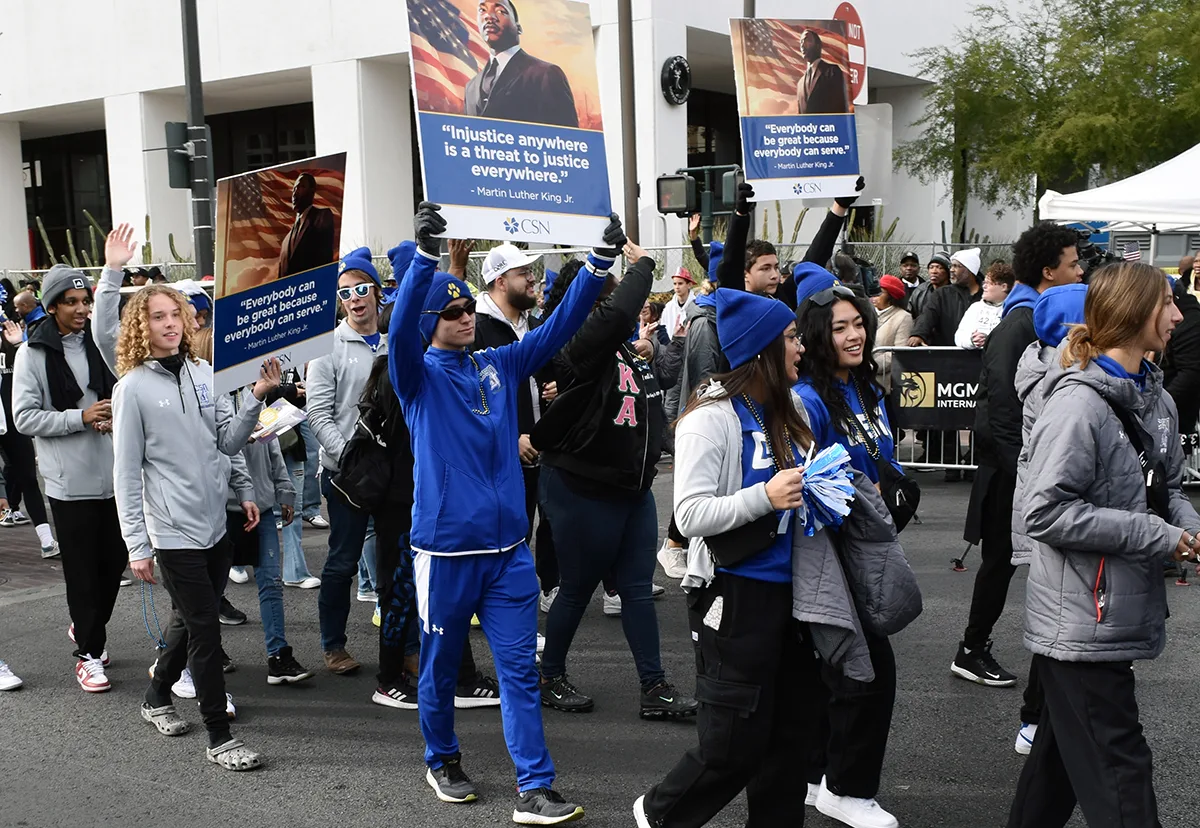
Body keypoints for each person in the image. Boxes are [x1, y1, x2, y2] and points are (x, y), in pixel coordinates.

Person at [388, 203, 623, 824]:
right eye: (453, 312)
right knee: (439, 670)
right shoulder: (415, 377)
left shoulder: (497, 363)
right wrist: (424, 258)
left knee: (521, 672)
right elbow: (400, 328)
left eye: (469, 307)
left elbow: (557, 329)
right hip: (445, 553)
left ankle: (535, 789)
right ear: (431, 322)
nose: (467, 318)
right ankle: (442, 758)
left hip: (509, 553)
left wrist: (598, 265)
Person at [636, 288, 863, 828]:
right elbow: (688, 517)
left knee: (790, 743)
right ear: (760, 348)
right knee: (734, 744)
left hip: (800, 594)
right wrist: (765, 497)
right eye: (789, 338)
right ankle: (659, 812)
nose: (801, 347)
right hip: (734, 597)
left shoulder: (796, 406)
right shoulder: (709, 418)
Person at [1006, 261, 1200, 828]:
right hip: (1082, 622)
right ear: (1134, 312)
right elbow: (1044, 511)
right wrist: (1161, 536)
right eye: (1167, 302)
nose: (1178, 314)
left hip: (1108, 614)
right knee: (1121, 771)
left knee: (1058, 769)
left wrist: (1187, 527)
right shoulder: (1077, 405)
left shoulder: (1157, 400)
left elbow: (1166, 489)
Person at [111, 283, 278, 771]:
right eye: (158, 317)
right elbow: (125, 473)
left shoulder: (207, 374)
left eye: (175, 315)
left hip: (215, 525)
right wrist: (137, 545)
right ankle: (220, 736)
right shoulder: (132, 389)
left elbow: (227, 442)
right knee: (205, 628)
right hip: (171, 532)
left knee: (189, 619)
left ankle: (155, 697)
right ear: (142, 328)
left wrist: (257, 398)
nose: (169, 324)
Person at [531, 239, 697, 720]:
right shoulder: (575, 343)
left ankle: (654, 687)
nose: (615, 304)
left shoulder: (619, 347)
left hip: (633, 489)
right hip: (584, 487)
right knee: (579, 587)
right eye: (603, 297)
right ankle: (550, 676)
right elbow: (618, 311)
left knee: (637, 588)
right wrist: (642, 264)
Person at [791, 272, 903, 828]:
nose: (855, 335)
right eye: (840, 328)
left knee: (834, 670)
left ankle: (818, 774)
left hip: (870, 550)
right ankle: (848, 789)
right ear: (816, 336)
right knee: (868, 669)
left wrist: (894, 483)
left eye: (859, 323)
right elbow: (806, 486)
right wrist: (862, 497)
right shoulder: (807, 400)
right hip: (833, 554)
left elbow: (881, 454)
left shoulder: (863, 387)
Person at [952, 222, 1082, 695]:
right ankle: (971, 649)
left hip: (1025, 469)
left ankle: (1058, 655)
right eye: (1072, 264)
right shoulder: (1020, 323)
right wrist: (1026, 471)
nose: (1080, 271)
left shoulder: (1037, 317)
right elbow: (998, 411)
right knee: (1001, 561)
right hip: (1012, 472)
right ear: (1049, 271)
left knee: (1016, 562)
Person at [12, 264, 125, 692]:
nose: (81, 310)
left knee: (113, 567)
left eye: (85, 302)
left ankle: (85, 627)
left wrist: (112, 414)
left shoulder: (101, 345)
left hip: (116, 477)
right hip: (68, 482)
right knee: (81, 573)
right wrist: (81, 417)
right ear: (52, 305)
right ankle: (89, 655)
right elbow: (24, 417)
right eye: (71, 302)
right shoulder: (32, 353)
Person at [1007, 284, 1088, 756]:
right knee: (1060, 621)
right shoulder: (1062, 382)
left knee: (1063, 619)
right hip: (1054, 518)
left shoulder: (1054, 368)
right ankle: (1035, 719)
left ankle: (1043, 722)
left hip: (1047, 513)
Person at [308, 248, 392, 676]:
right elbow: (318, 413)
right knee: (342, 562)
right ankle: (333, 645)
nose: (355, 298)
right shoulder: (327, 348)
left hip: (396, 473)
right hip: (346, 477)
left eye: (361, 289)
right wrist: (349, 459)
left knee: (397, 560)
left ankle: (400, 646)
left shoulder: (398, 338)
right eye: (345, 293)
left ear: (376, 292)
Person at [473, 241, 558, 614]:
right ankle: (502, 606)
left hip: (544, 447)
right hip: (503, 455)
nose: (532, 279)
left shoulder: (534, 325)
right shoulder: (476, 329)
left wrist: (556, 387)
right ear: (500, 281)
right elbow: (472, 400)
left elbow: (551, 372)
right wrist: (511, 439)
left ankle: (547, 587)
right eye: (524, 273)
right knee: (509, 533)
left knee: (552, 522)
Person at [464, 0, 578, 127]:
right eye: (482, 10)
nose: (489, 16)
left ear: (518, 28)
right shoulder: (471, 88)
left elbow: (568, 138)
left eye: (500, 11)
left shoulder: (545, 74)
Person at [0, 308, 57, 555]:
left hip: (13, 421)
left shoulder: (14, 343)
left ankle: (46, 540)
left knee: (28, 477)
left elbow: (32, 372)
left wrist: (19, 345)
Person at [909, 248, 981, 347]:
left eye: (956, 266)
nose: (951, 270)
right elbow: (928, 315)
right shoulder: (942, 294)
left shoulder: (986, 295)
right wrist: (918, 334)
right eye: (951, 266)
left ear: (970, 269)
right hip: (947, 355)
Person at [1162, 259, 1200, 441]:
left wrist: (1159, 405)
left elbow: (1190, 373)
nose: (1176, 317)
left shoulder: (1190, 321)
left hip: (1177, 421)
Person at [276, 173, 337, 280]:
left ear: (312, 191)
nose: (295, 192)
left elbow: (325, 258)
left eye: (301, 187)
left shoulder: (322, 217)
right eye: (294, 189)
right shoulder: (286, 241)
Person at [955, 261, 1014, 350]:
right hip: (973, 361)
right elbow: (959, 337)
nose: (984, 287)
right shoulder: (975, 308)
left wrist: (991, 341)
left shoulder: (1013, 311)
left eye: (989, 283)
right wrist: (972, 340)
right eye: (984, 283)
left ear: (1004, 287)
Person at [871, 274, 913, 395]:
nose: (875, 296)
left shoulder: (903, 317)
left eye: (880, 292)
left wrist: (871, 365)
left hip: (884, 384)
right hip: (863, 382)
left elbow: (898, 351)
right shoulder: (867, 313)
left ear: (891, 297)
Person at [796, 28, 850, 114]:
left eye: (806, 40)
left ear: (818, 45)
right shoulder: (800, 84)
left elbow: (841, 107)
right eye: (801, 42)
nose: (802, 45)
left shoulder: (832, 72)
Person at [907, 252, 949, 322]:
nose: (934, 271)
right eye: (931, 267)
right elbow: (910, 315)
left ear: (947, 272)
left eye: (939, 267)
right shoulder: (920, 291)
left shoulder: (955, 294)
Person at [661, 267, 696, 341]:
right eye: (674, 284)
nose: (677, 287)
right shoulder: (668, 307)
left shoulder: (696, 306)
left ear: (689, 285)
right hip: (671, 348)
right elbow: (663, 327)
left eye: (680, 283)